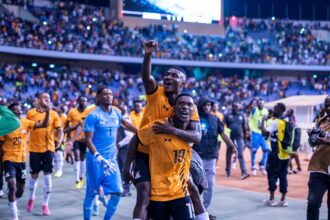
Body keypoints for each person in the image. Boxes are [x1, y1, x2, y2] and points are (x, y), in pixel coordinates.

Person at [123, 40, 206, 220]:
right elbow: (147, 77)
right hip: (146, 151)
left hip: (171, 154)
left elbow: (197, 135)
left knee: (192, 187)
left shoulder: (187, 104)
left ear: (183, 83)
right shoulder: (156, 92)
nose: (168, 77)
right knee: (144, 191)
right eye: (166, 75)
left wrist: (171, 130)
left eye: (174, 76)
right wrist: (148, 54)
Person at [129, 93, 196, 220]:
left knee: (195, 193)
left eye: (189, 105)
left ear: (193, 110)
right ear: (173, 108)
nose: (185, 107)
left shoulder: (193, 133)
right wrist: (127, 168)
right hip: (158, 195)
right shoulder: (158, 127)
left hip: (181, 193)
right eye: (181, 104)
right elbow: (136, 138)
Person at [83, 86, 136, 220]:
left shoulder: (116, 113)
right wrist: (98, 157)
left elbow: (125, 125)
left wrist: (141, 132)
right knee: (91, 194)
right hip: (95, 161)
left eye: (110, 94)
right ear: (99, 97)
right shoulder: (93, 116)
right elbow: (88, 140)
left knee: (117, 193)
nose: (109, 96)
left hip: (111, 161)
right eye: (105, 94)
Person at [0, 102, 49, 219]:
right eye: (16, 110)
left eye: (19, 109)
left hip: (21, 161)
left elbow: (43, 125)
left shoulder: (25, 123)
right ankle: (14, 216)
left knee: (20, 190)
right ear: (10, 113)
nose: (19, 111)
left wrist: (47, 111)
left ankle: (13, 201)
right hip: (9, 159)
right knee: (12, 185)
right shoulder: (5, 126)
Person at [193, 96, 238, 210]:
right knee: (196, 184)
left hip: (211, 156)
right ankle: (193, 208)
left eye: (209, 105)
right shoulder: (194, 118)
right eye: (205, 105)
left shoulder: (215, 119)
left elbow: (223, 134)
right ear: (200, 106)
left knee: (210, 185)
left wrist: (233, 146)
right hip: (196, 156)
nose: (207, 107)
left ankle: (204, 209)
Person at [25, 92, 63, 216]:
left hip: (49, 149)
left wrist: (60, 140)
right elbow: (27, 128)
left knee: (48, 178)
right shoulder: (30, 113)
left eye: (49, 97)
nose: (48, 99)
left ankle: (45, 205)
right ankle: (31, 198)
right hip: (34, 149)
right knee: (34, 175)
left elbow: (59, 130)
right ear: (38, 99)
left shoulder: (54, 113)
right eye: (44, 97)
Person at [260, 102, 290, 207]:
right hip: (286, 154)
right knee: (283, 176)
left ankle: (272, 199)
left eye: (275, 109)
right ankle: (283, 200)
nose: (273, 111)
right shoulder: (287, 120)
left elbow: (265, 133)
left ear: (279, 110)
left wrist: (263, 121)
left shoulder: (276, 122)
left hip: (276, 152)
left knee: (272, 174)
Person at [306, 95, 330, 220]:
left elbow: (324, 141)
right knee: (313, 204)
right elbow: (313, 144)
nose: (328, 108)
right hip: (319, 168)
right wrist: (312, 138)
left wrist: (324, 140)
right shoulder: (321, 121)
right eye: (326, 105)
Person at [65, 96, 89, 189]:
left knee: (83, 159)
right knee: (77, 157)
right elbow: (67, 125)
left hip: (85, 139)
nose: (84, 102)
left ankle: (81, 177)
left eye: (85, 101)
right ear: (78, 102)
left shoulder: (89, 112)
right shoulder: (72, 112)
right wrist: (68, 138)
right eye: (82, 101)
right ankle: (76, 180)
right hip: (74, 139)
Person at [224, 102, 250, 179]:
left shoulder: (241, 115)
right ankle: (228, 172)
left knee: (240, 154)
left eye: (237, 107)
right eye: (234, 107)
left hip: (239, 138)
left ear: (238, 108)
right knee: (228, 154)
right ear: (232, 107)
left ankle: (244, 172)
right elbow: (222, 125)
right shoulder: (227, 115)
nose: (235, 108)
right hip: (230, 138)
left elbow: (244, 127)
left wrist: (245, 138)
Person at [246, 97, 269, 175]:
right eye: (259, 103)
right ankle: (253, 167)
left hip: (263, 133)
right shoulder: (254, 110)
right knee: (254, 150)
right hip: (255, 132)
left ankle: (262, 166)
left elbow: (267, 121)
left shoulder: (266, 111)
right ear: (257, 104)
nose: (261, 104)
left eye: (262, 103)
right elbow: (248, 108)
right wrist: (252, 100)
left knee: (266, 150)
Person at [117, 103, 134, 197]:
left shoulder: (126, 120)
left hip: (125, 148)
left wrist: (120, 144)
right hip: (122, 148)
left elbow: (129, 136)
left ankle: (126, 189)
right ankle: (124, 188)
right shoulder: (122, 119)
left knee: (125, 168)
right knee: (121, 168)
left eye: (122, 108)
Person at [285, 109, 302, 174]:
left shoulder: (291, 118)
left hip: (293, 137)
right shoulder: (286, 117)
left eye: (288, 111)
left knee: (293, 154)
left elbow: (292, 125)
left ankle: (293, 168)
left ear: (291, 113)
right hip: (289, 137)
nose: (287, 112)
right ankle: (294, 168)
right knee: (292, 154)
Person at [53, 105, 67, 178]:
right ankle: (56, 167)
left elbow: (67, 127)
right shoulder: (53, 117)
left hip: (61, 139)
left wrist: (62, 132)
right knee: (54, 154)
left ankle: (60, 170)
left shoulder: (64, 118)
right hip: (52, 138)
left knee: (59, 153)